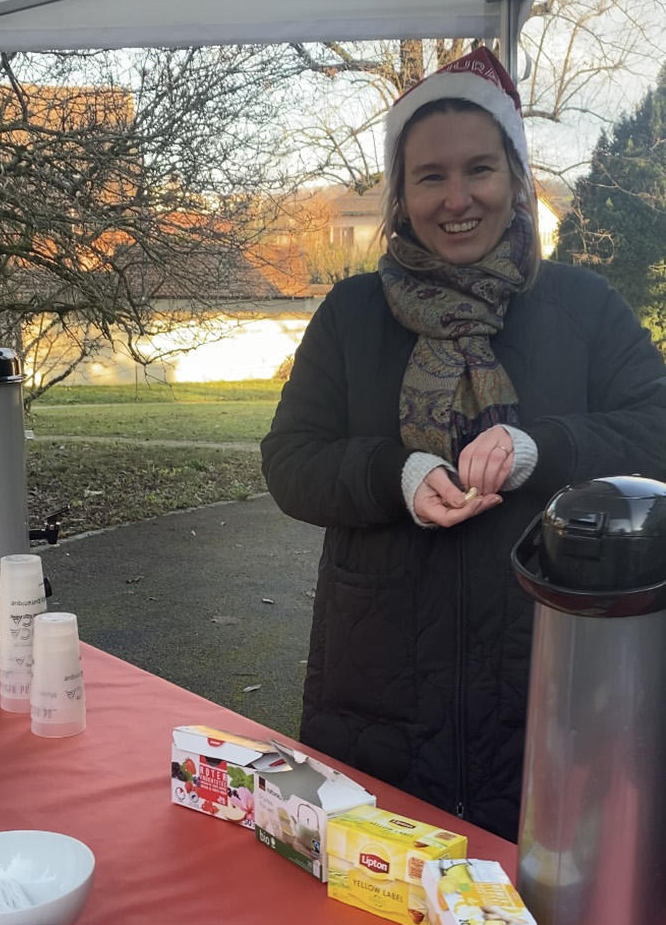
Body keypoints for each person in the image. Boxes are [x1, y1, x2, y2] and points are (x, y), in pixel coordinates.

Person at [261, 46, 666, 842]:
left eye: (478, 169)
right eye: (429, 176)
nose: (457, 199)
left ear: (514, 176)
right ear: (401, 192)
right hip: (375, 692)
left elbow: (655, 430)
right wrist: (394, 473)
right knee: (372, 922)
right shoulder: (351, 316)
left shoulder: (583, 308)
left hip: (551, 686)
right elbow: (290, 461)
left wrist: (540, 450)